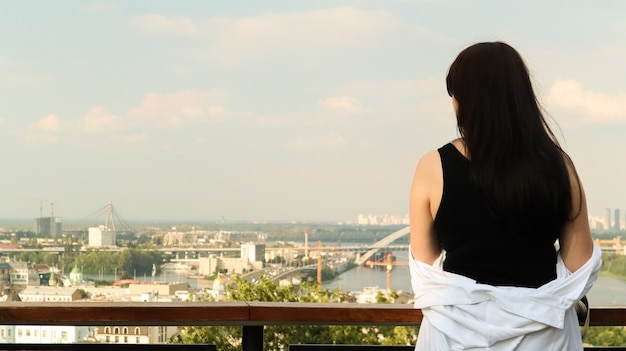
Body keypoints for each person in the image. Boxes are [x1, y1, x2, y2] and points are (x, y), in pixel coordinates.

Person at [408, 41, 601, 350]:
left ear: (466, 98)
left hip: (452, 335)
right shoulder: (559, 165)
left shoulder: (432, 166)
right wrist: (538, 301)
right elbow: (580, 263)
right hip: (545, 337)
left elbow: (426, 264)